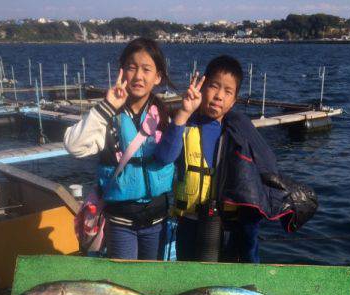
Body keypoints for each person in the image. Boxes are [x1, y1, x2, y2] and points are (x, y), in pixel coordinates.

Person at [154, 55, 317, 262]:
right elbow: (163, 157)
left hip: (230, 226)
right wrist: (184, 113)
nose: (219, 96)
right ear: (202, 86)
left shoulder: (241, 131)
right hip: (189, 222)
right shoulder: (185, 124)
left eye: (228, 91)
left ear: (234, 101)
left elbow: (265, 169)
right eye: (214, 86)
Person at [64, 38, 175, 260]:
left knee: (149, 280)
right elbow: (73, 146)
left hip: (157, 220)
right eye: (132, 67)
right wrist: (107, 106)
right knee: (124, 281)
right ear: (122, 71)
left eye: (146, 69)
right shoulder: (108, 115)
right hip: (120, 222)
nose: (138, 76)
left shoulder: (164, 116)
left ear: (158, 76)